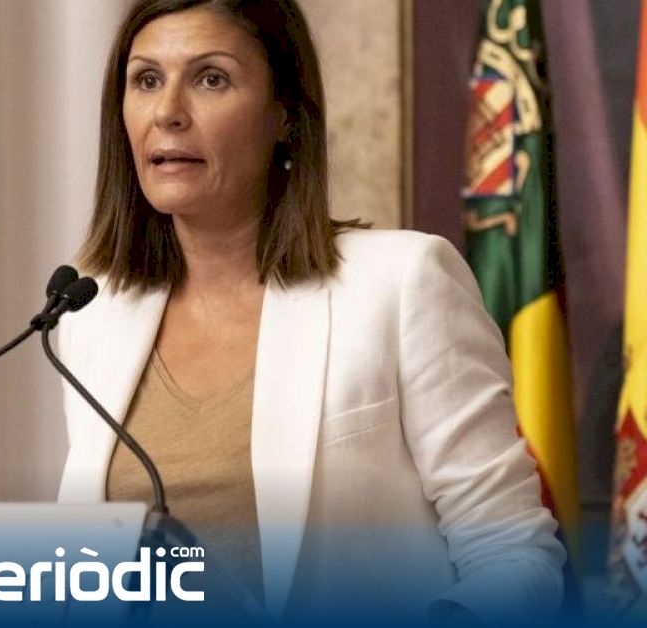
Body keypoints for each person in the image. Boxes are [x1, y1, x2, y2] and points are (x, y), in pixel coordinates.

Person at [55, 0, 566, 624]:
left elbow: (516, 554)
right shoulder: (92, 314)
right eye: (146, 80)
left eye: (210, 78)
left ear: (285, 117)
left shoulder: (401, 282)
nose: (167, 112)